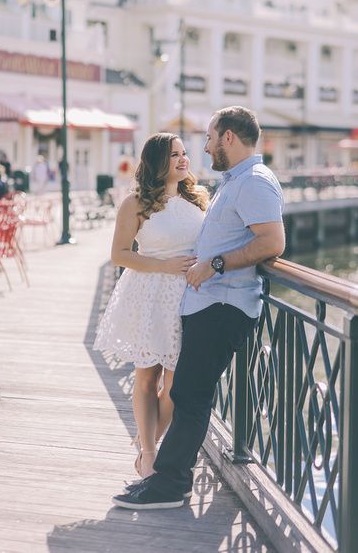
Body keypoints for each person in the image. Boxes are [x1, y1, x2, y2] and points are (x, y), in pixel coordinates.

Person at [112, 105, 285, 510]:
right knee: (188, 390)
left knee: (187, 392)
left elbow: (272, 243)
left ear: (228, 137)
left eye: (208, 138)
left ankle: (169, 484)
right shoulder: (235, 181)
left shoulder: (254, 182)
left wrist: (216, 264)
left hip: (223, 302)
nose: (202, 148)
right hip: (203, 301)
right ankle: (165, 476)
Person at [94, 133, 208, 478]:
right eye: (175, 155)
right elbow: (119, 254)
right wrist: (163, 265)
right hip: (149, 294)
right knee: (147, 377)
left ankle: (147, 440)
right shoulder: (136, 203)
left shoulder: (200, 199)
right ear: (158, 161)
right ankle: (148, 454)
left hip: (189, 296)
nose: (183, 159)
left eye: (185, 153)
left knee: (176, 384)